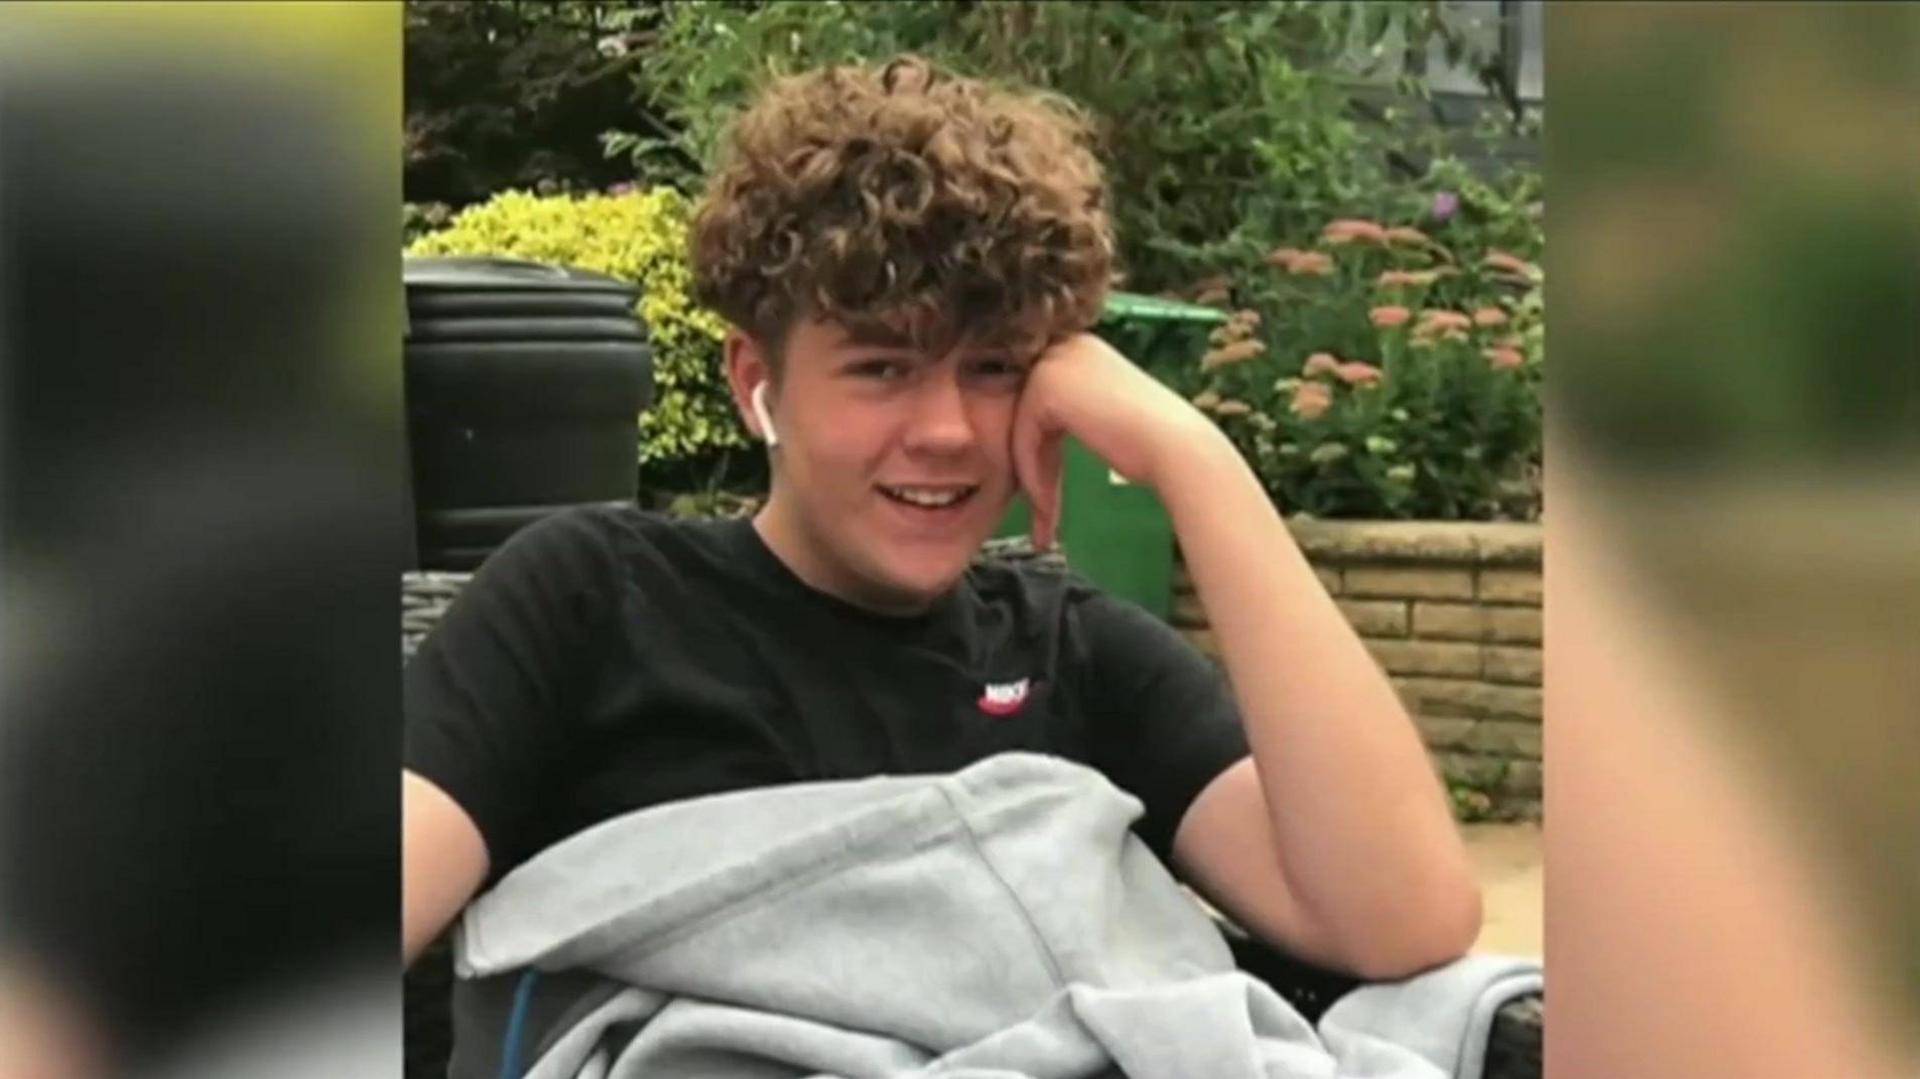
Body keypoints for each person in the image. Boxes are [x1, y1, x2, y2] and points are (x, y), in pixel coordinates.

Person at [401, 54, 1480, 984]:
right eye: (881, 366)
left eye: (995, 367)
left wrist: (1195, 460)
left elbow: (1400, 920)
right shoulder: (591, 602)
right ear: (754, 382)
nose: (950, 429)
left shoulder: (1071, 652)